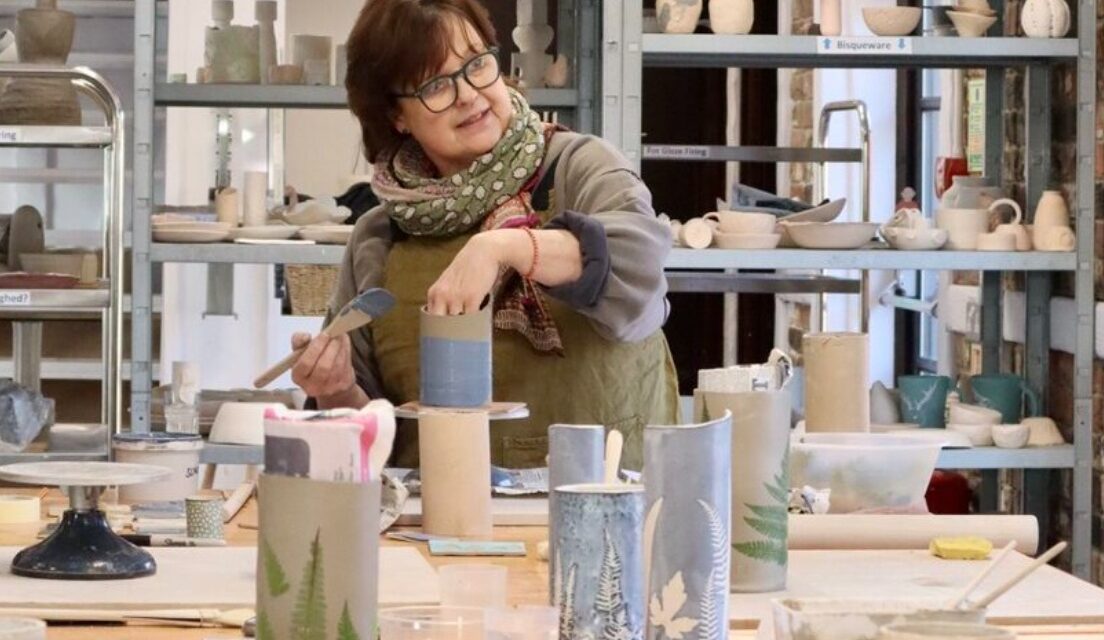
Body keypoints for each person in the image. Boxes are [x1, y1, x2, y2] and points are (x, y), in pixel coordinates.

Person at [290, 0, 678, 469]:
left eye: (476, 64)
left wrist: (505, 246)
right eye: (435, 84)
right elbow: (370, 440)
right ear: (396, 115)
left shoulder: (578, 168)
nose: (469, 94)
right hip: (437, 523)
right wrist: (335, 391)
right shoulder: (380, 235)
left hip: (603, 512)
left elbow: (640, 271)